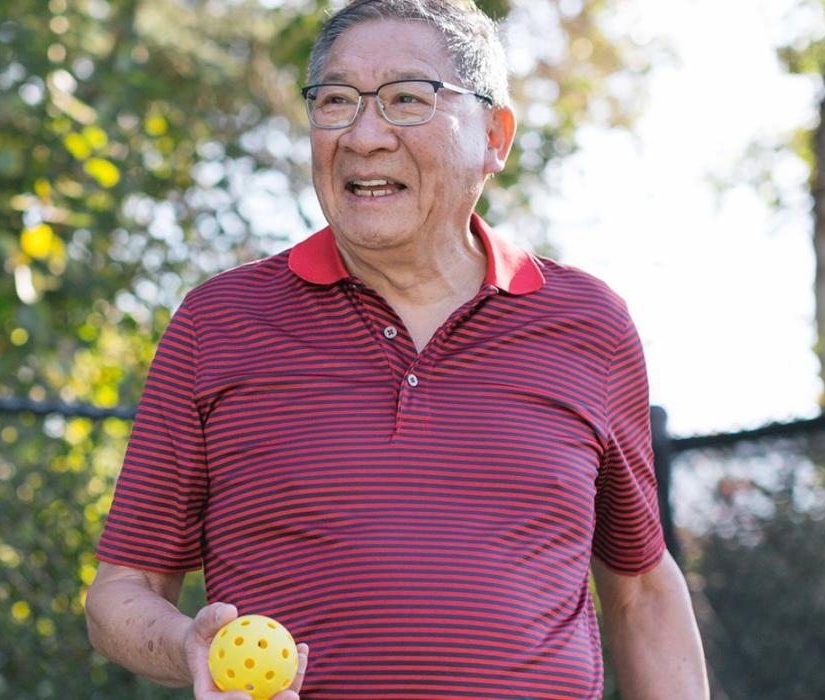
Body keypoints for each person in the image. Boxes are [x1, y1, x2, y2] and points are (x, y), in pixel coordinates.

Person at [84, 1, 708, 697]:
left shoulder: (589, 325)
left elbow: (643, 589)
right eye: (336, 102)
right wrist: (186, 648)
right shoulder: (219, 322)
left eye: (407, 99)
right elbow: (123, 590)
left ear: (495, 136)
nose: (364, 134)